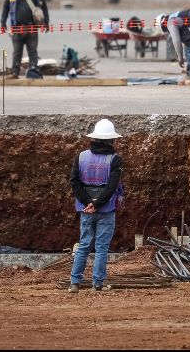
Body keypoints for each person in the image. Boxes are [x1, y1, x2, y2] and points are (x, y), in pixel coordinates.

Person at [68, 119, 125, 293]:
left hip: (86, 209)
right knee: (101, 247)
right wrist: (97, 203)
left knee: (84, 244)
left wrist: (88, 202)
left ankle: (74, 283)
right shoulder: (114, 159)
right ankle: (97, 284)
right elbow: (112, 186)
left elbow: (74, 181)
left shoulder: (81, 157)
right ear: (111, 140)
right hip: (106, 209)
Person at [0, 0, 50, 79]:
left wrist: (46, 22)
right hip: (17, 28)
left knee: (32, 51)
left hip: (32, 28)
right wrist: (2, 23)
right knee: (17, 52)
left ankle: (33, 70)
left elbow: (44, 8)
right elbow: (6, 8)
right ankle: (15, 73)